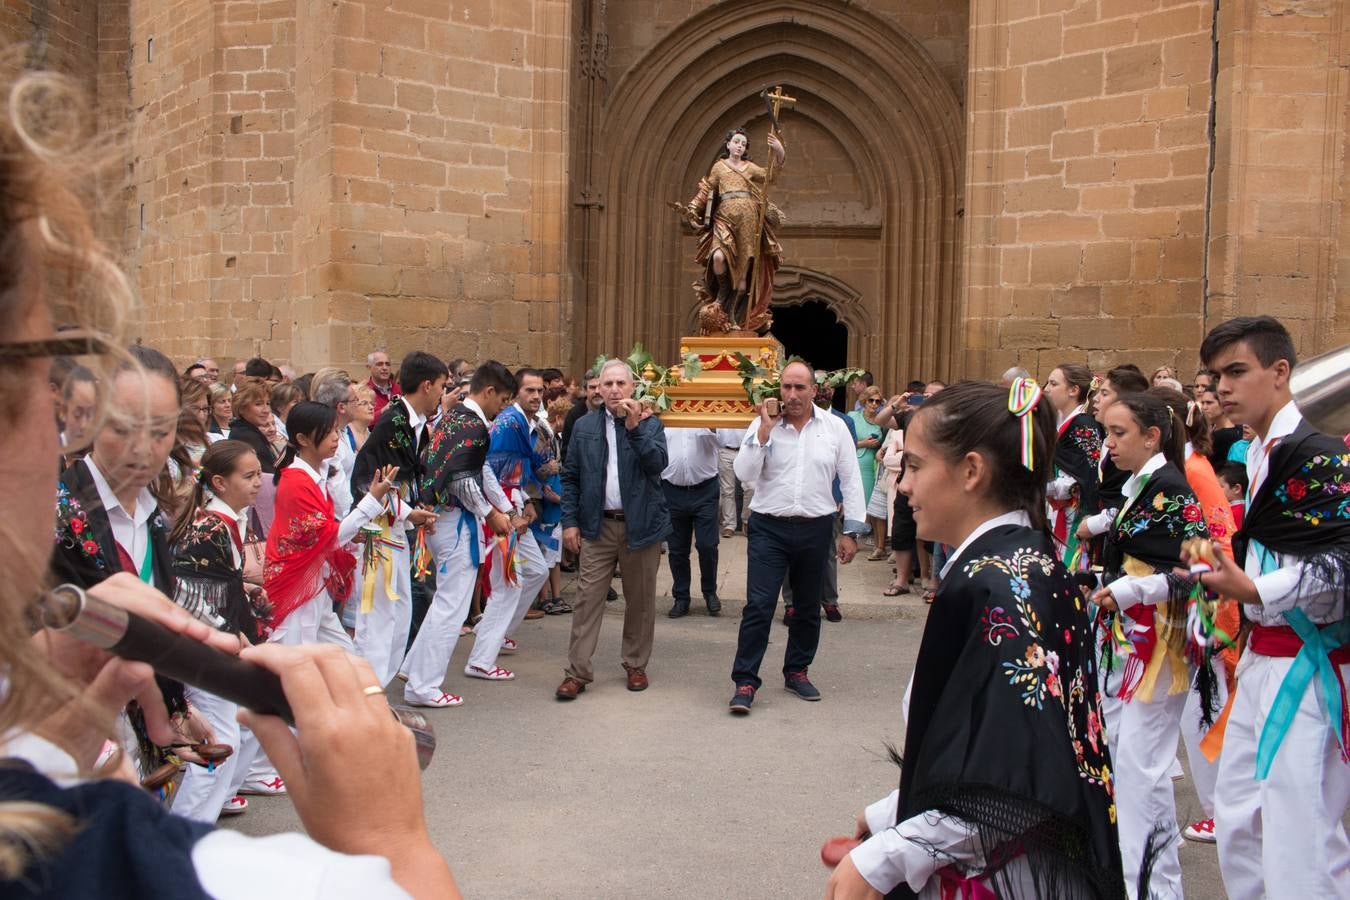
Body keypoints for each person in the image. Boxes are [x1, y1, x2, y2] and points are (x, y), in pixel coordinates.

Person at [826, 379, 1121, 899]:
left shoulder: (997, 583)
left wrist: (890, 855)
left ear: (971, 471)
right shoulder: (1015, 560)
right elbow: (986, 745)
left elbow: (1017, 779)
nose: (903, 486)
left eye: (915, 466)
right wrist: (891, 813)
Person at [1196, 316, 1350, 900]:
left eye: (1237, 371)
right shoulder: (1258, 450)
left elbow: (1341, 564)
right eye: (1216, 375)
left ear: (1280, 371)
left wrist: (1257, 591)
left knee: (1301, 833)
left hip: (1307, 666)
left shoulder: (1317, 450)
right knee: (1238, 820)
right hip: (1261, 658)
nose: (1222, 388)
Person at [1089, 393, 1208, 899]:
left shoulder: (1173, 488)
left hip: (1159, 644)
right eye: (1108, 432)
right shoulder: (1141, 484)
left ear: (1151, 435)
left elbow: (1198, 569)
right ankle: (1145, 881)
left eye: (1119, 433)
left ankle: (1153, 887)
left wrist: (1134, 588)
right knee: (1133, 763)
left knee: (1142, 766)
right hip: (1130, 640)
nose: (1109, 443)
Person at [728, 360, 865, 714]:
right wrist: (762, 433)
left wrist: (852, 530)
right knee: (758, 606)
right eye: (786, 387)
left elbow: (851, 480)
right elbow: (743, 473)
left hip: (816, 528)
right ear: (779, 389)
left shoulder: (834, 428)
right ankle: (745, 680)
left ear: (814, 391)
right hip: (768, 527)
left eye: (800, 388)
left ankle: (797, 671)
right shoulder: (763, 426)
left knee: (806, 608)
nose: (792, 395)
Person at [1149, 386, 1241, 846]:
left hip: (1202, 605)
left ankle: (1220, 809)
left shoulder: (1190, 470)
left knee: (1204, 708)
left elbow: (1212, 541)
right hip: (1194, 601)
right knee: (1190, 707)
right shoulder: (1187, 466)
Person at [401, 361, 517, 707]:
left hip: (446, 518)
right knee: (451, 606)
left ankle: (413, 668)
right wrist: (491, 513)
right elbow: (462, 479)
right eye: (504, 399)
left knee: (445, 603)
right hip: (453, 520)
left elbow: (477, 470)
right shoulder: (470, 425)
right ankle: (424, 686)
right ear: (489, 392)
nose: (504, 407)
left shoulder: (457, 419)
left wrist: (500, 507)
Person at [167, 440, 271, 822]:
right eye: (248, 476)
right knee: (218, 741)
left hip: (215, 643)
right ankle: (185, 830)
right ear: (219, 482)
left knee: (232, 732)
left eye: (259, 473)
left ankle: (198, 824)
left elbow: (217, 583)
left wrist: (245, 594)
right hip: (202, 649)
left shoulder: (222, 522)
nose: (258, 482)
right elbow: (187, 592)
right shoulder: (210, 526)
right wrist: (230, 631)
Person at [556, 359, 670, 700]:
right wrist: (569, 522)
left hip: (641, 525)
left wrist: (634, 429)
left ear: (632, 388)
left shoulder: (650, 424)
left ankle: (635, 664)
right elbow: (570, 475)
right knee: (587, 600)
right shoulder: (585, 425)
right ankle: (577, 672)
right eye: (608, 384)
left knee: (641, 600)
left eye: (621, 383)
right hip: (597, 526)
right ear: (598, 389)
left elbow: (657, 465)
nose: (615, 389)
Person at [348, 351, 447, 686]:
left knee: (400, 614)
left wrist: (418, 509)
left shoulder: (415, 425)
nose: (442, 395)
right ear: (426, 385)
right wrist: (408, 512)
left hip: (397, 529)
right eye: (441, 387)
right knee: (379, 619)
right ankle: (367, 695)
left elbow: (407, 478)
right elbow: (371, 479)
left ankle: (378, 689)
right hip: (379, 531)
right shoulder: (394, 422)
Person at [263, 402, 393, 648]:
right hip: (298, 581)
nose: (336, 438)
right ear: (302, 438)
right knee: (296, 660)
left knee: (342, 652)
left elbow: (325, 531)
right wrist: (371, 501)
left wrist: (353, 529)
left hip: (313, 578)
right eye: (328, 432)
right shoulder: (296, 482)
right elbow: (328, 536)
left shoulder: (314, 475)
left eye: (336, 430)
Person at [471, 367, 557, 680]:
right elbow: (487, 471)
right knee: (508, 584)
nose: (536, 396)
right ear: (516, 393)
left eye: (539, 391)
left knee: (536, 571)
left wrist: (528, 501)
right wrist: (507, 513)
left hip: (515, 505)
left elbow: (515, 471)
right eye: (529, 391)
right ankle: (482, 656)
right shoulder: (509, 423)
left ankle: (495, 629)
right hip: (500, 514)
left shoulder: (530, 422)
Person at [680, 126, 787, 330]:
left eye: (743, 144)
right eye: (736, 142)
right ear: (728, 144)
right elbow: (707, 190)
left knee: (742, 275)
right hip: (724, 218)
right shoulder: (719, 167)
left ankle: (734, 316)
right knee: (718, 258)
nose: (739, 146)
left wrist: (779, 151)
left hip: (748, 221)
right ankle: (722, 291)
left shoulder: (749, 167)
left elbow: (770, 176)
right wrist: (693, 208)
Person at [783, 372, 857, 620]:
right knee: (789, 560)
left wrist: (841, 499)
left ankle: (829, 600)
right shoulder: (777, 422)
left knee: (827, 556)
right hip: (787, 505)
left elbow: (846, 469)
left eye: (827, 388)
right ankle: (791, 603)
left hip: (826, 502)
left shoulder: (842, 422)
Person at [1043, 363, 1103, 571]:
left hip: (1075, 515)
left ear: (1073, 390)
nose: (1046, 389)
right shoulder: (1061, 422)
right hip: (1058, 511)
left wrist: (1036, 486)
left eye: (1053, 383)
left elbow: (1084, 478)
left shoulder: (1083, 424)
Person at [661, 427, 722, 618]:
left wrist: (712, 426)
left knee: (707, 545)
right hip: (672, 490)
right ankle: (681, 597)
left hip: (705, 490)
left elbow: (724, 441)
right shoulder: (664, 413)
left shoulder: (705, 409)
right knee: (677, 549)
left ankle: (710, 592)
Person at [848, 386, 887, 559]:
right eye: (871, 400)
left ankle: (872, 538)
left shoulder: (881, 421)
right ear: (864, 401)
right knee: (853, 500)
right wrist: (863, 443)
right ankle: (853, 537)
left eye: (877, 401)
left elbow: (886, 443)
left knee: (870, 504)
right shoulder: (852, 416)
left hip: (871, 466)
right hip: (854, 461)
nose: (874, 404)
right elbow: (844, 442)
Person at [228, 380, 278, 475]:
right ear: (242, 408)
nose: (266, 410)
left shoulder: (246, 431)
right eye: (258, 404)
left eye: (267, 403)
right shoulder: (246, 437)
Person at [1198, 384, 1241, 467]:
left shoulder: (1226, 435)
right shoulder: (1213, 428)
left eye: (1209, 403)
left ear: (1222, 404)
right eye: (1202, 403)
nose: (1204, 407)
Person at [366, 348, 403, 421]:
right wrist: (383, 411)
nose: (385, 368)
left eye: (388, 364)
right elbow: (359, 421)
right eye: (379, 364)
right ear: (369, 367)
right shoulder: (363, 391)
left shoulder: (400, 389)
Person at [1215, 461, 1247, 529]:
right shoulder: (1244, 509)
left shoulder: (1237, 513)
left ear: (1236, 489)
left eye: (1220, 486)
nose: (1215, 490)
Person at [347, 383, 376, 452]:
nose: (371, 407)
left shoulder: (368, 432)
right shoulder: (347, 434)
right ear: (352, 406)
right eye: (364, 403)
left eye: (371, 403)